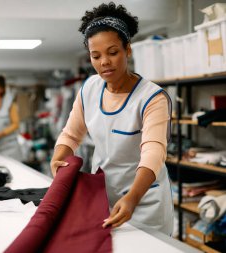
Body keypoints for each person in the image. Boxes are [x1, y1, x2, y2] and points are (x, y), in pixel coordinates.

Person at [50, 2, 174, 235]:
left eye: (113, 52)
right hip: (103, 196)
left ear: (128, 49)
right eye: (95, 56)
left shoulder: (152, 98)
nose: (104, 62)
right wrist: (58, 158)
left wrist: (132, 198)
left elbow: (153, 154)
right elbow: (71, 134)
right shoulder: (89, 89)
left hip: (145, 200)